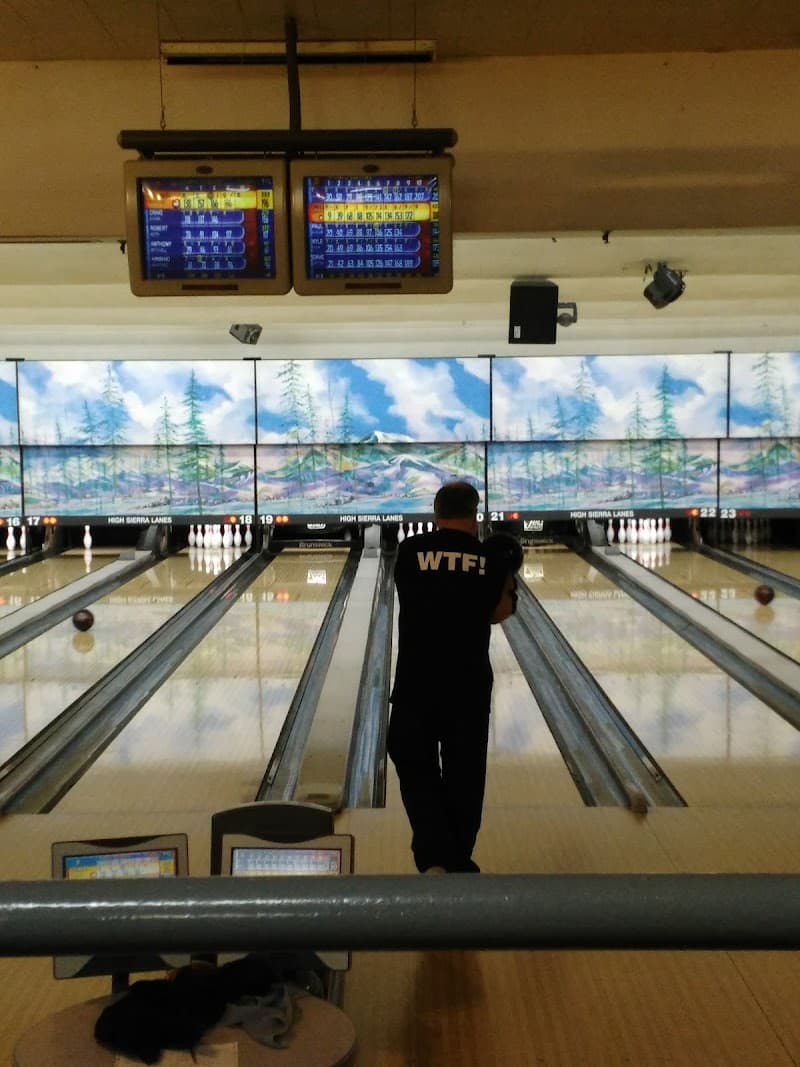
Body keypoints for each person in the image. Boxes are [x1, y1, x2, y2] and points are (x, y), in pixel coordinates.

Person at [387, 480, 518, 874]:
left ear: (435, 513)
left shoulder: (410, 551)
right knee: (464, 778)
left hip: (416, 685)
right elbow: (500, 613)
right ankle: (456, 860)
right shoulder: (488, 559)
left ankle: (433, 858)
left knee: (411, 760)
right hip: (468, 688)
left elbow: (410, 593)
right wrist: (507, 572)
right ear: (475, 515)